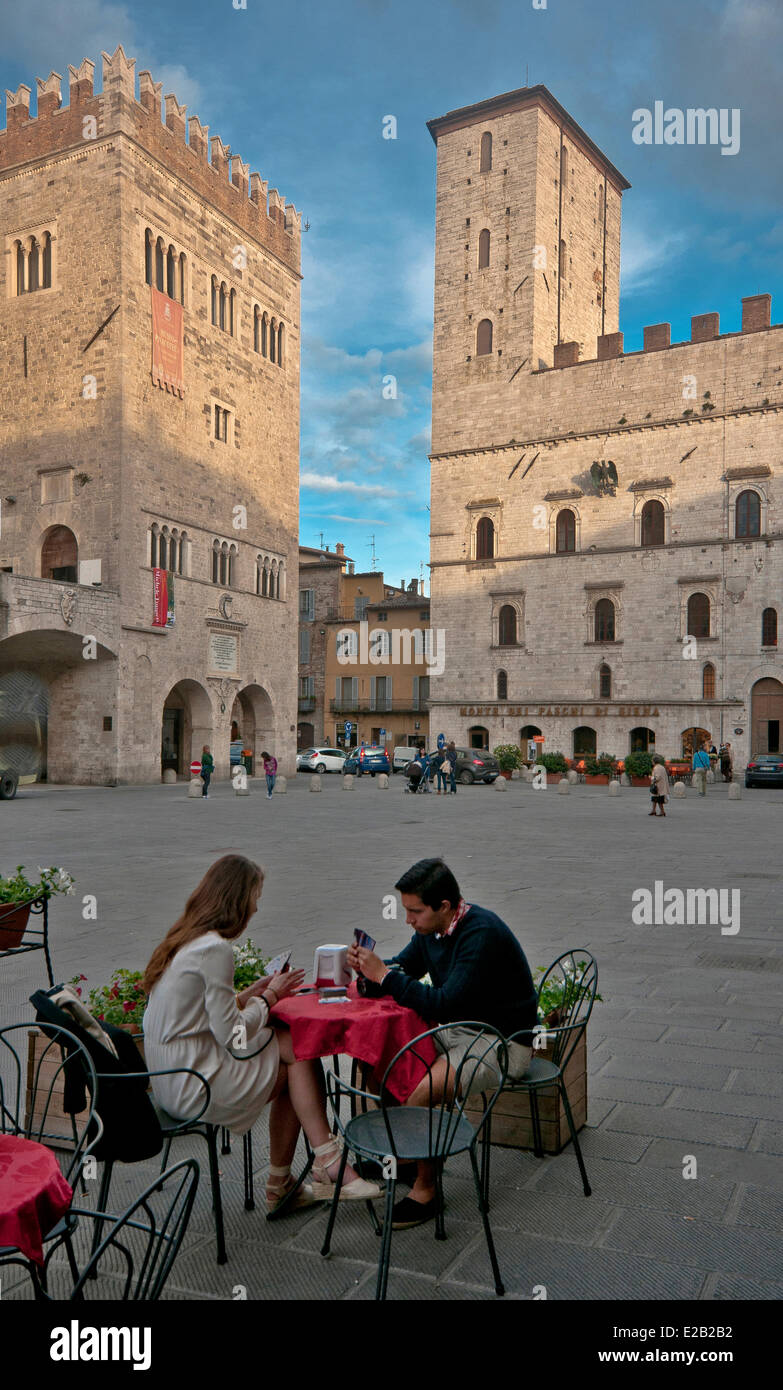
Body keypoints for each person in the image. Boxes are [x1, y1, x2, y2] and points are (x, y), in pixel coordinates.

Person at [142, 855, 380, 1212]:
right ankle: (322, 1165)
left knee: (293, 1061)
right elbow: (232, 1034)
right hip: (195, 1083)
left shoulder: (185, 939)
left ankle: (293, 1179)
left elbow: (197, 1014)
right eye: (255, 895)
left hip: (169, 1078)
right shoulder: (214, 949)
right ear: (237, 899)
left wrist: (248, 995)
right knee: (298, 1050)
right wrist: (270, 997)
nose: (256, 906)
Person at [347, 857, 537, 1229]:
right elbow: (404, 968)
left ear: (445, 907)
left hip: (501, 1041)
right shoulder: (431, 930)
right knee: (382, 1062)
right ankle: (405, 1158)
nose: (409, 920)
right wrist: (370, 970)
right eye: (406, 910)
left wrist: (384, 975)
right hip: (459, 1028)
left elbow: (445, 1001)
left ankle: (426, 1189)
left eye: (414, 911)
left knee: (421, 1093)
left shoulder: (479, 933)